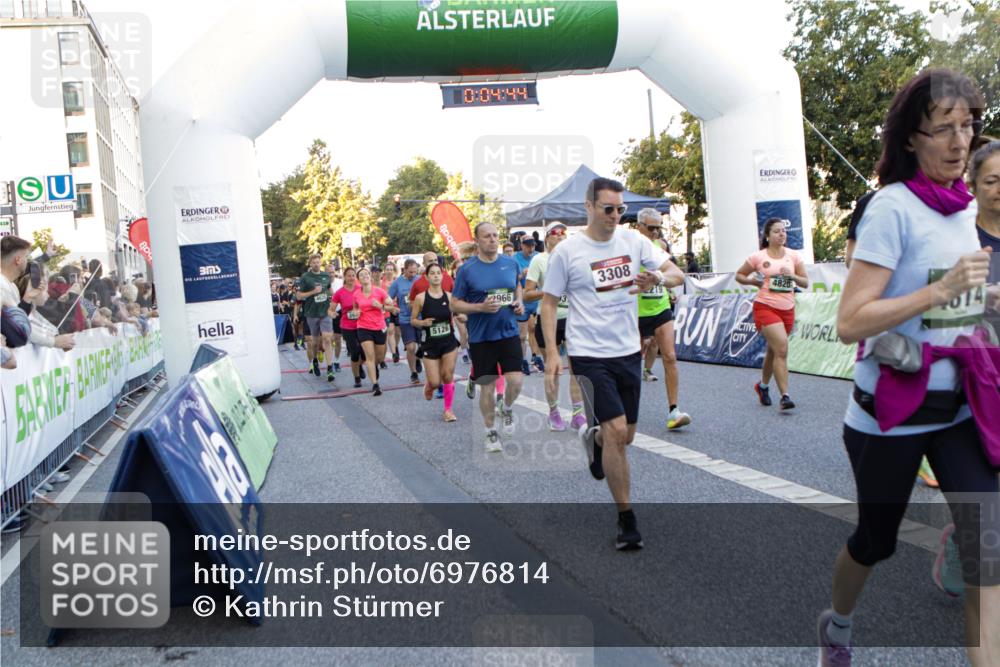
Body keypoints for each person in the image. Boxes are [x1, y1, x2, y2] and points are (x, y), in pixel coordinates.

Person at [819, 69, 998, 667]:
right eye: (942, 129)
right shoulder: (890, 209)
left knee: (987, 555)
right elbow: (852, 321)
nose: (958, 142)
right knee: (876, 543)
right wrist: (944, 290)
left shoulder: (967, 206)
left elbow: (951, 306)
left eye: (967, 126)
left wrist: (981, 303)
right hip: (890, 412)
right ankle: (838, 627)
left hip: (958, 409)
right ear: (911, 138)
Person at [541, 177, 684, 551]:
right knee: (618, 430)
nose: (615, 216)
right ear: (588, 207)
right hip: (588, 354)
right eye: (608, 209)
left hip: (626, 351)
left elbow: (677, 274)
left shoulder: (635, 242)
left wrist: (658, 276)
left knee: (625, 436)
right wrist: (554, 354)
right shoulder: (567, 252)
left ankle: (595, 440)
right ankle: (626, 519)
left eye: (621, 210)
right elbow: (548, 303)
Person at [451, 222, 525, 452]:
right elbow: (455, 303)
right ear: (477, 241)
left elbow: (517, 287)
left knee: (516, 381)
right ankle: (490, 432)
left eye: (495, 235)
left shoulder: (510, 263)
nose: (492, 240)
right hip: (482, 337)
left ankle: (507, 407)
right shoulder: (467, 270)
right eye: (487, 236)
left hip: (508, 331)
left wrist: (519, 302)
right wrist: (480, 308)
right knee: (487, 387)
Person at [735, 217, 809, 410]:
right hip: (765, 307)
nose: (781, 234)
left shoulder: (794, 256)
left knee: (773, 350)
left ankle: (763, 386)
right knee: (782, 349)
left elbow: (805, 282)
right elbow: (739, 275)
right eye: (776, 231)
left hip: (787, 309)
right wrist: (755, 282)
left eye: (783, 231)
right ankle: (785, 396)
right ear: (767, 236)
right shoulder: (758, 257)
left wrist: (791, 276)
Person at [523, 221, 587, 431]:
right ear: (547, 238)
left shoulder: (575, 258)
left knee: (577, 366)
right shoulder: (539, 260)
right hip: (548, 318)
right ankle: (554, 412)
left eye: (563, 233)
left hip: (572, 317)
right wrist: (550, 290)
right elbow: (527, 294)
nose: (560, 236)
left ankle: (578, 414)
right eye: (555, 233)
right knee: (553, 368)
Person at [635, 208, 691, 429]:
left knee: (669, 356)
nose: (656, 233)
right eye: (651, 228)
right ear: (639, 226)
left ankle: (674, 410)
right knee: (627, 362)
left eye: (659, 228)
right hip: (634, 312)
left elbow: (677, 275)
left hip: (659, 308)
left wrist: (659, 279)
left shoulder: (659, 249)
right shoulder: (629, 248)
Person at [411, 263, 462, 422]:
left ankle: (448, 410)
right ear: (426, 277)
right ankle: (429, 386)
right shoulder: (420, 298)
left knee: (448, 376)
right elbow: (412, 320)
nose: (435, 276)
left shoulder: (449, 296)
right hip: (430, 343)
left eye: (438, 273)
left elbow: (458, 314)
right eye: (432, 273)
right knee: (435, 381)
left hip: (448, 341)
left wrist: (463, 317)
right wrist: (422, 323)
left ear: (442, 275)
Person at [350, 267, 394, 396]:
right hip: (363, 327)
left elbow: (391, 307)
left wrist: (380, 306)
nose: (364, 276)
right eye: (361, 275)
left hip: (379, 326)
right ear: (359, 280)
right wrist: (355, 313)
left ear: (369, 276)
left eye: (366, 274)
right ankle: (375, 384)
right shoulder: (356, 294)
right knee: (369, 356)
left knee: (379, 357)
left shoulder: (379, 291)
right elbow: (355, 310)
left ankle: (375, 366)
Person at [296, 254, 335, 381]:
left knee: (327, 339)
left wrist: (334, 301)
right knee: (314, 342)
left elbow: (330, 290)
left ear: (320, 263)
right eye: (314, 263)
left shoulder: (325, 276)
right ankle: (315, 361)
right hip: (312, 313)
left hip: (325, 312)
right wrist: (313, 292)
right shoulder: (305, 277)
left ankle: (330, 368)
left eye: (318, 262)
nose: (316, 264)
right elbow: (298, 296)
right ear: (310, 264)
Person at [513, 237, 544, 375]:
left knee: (534, 329)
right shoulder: (515, 258)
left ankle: (535, 357)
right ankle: (521, 360)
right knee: (522, 334)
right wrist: (522, 274)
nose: (531, 249)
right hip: (523, 296)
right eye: (527, 246)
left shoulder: (538, 256)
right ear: (521, 246)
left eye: (532, 246)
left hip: (535, 296)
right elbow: (511, 279)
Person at [331, 268, 367, 388]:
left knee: (364, 352)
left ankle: (360, 366)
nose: (351, 278)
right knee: (355, 352)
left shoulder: (360, 289)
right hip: (347, 326)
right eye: (349, 276)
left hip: (362, 324)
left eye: (353, 276)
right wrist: (332, 313)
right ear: (344, 277)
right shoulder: (339, 292)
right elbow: (331, 309)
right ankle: (357, 378)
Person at [389, 259, 422, 383]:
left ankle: (418, 358)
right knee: (410, 347)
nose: (413, 274)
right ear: (405, 269)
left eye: (415, 272)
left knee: (420, 347)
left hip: (420, 318)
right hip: (405, 319)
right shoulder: (397, 283)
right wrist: (392, 308)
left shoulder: (420, 280)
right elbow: (388, 299)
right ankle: (413, 373)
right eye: (410, 272)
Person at [381, 261, 400, 363]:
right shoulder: (381, 282)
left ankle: (395, 346)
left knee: (398, 333)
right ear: (384, 271)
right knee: (390, 330)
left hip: (398, 309)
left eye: (391, 269)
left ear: (394, 271)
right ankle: (394, 353)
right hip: (387, 309)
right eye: (387, 269)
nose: (389, 271)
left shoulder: (397, 281)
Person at [326, 265, 344, 372]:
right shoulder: (323, 283)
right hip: (326, 314)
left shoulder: (340, 282)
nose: (331, 274)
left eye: (332, 272)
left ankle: (336, 361)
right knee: (329, 339)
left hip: (338, 313)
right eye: (328, 272)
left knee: (337, 339)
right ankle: (330, 362)